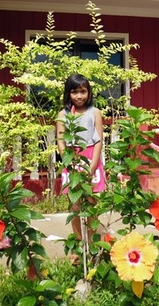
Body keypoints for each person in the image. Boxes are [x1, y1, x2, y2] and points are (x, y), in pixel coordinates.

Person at [56, 74, 105, 241]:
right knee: (75, 205)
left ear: (89, 92)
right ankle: (78, 243)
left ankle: (92, 243)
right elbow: (61, 141)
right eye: (74, 92)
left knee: (91, 202)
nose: (79, 96)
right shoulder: (63, 114)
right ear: (68, 93)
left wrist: (92, 167)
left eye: (83, 91)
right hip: (72, 160)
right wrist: (68, 164)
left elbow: (99, 141)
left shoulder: (95, 112)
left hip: (91, 158)